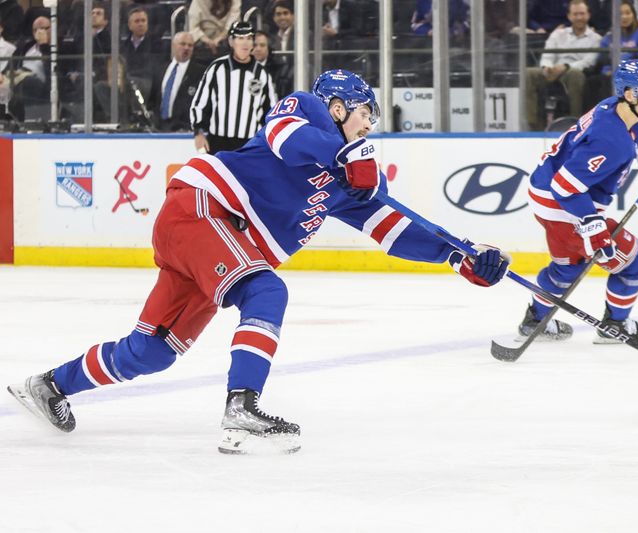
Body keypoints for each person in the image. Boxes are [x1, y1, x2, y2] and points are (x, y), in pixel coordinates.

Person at [7, 68, 511, 455]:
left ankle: (49, 385)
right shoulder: (308, 108)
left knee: (152, 352)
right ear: (337, 107)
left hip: (219, 240)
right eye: (364, 114)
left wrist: (458, 255)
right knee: (267, 290)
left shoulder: (348, 181)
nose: (369, 126)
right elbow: (285, 138)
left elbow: (393, 229)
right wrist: (341, 156)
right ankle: (241, 409)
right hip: (202, 208)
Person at [518, 59, 638, 343]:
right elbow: (565, 188)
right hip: (563, 206)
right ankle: (615, 325)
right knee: (637, 259)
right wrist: (591, 225)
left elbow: (636, 129)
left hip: (544, 194)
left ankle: (535, 320)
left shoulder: (613, 107)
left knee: (568, 267)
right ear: (630, 94)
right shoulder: (611, 142)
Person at [190, 21, 272, 154]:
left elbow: (270, 110)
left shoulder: (262, 73)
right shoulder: (217, 68)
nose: (245, 43)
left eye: (249, 38)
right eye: (240, 38)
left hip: (250, 144)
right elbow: (200, 103)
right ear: (231, 41)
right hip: (218, 142)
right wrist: (198, 132)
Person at [525, 0, 601, 130]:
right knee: (528, 73)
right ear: (569, 16)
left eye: (582, 14)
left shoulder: (596, 38)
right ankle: (532, 124)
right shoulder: (558, 34)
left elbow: (588, 61)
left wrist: (565, 67)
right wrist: (546, 67)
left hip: (572, 71)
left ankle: (575, 123)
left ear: (588, 15)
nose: (579, 17)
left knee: (575, 74)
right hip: (552, 69)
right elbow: (548, 54)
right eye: (575, 14)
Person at [153, 31, 205, 131]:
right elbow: (153, 100)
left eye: (190, 45)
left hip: (184, 131)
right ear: (173, 45)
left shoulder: (200, 73)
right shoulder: (160, 69)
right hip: (159, 129)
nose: (186, 48)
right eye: (183, 44)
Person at [187, 0, 242, 66]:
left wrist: (219, 39)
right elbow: (193, 27)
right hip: (202, 41)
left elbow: (233, 25)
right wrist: (208, 41)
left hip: (226, 40)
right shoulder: (198, 1)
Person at [269, 0, 295, 99]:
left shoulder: (303, 35)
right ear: (274, 18)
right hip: (277, 80)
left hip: (294, 79)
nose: (282, 17)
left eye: (285, 13)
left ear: (293, 16)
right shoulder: (271, 38)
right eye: (278, 14)